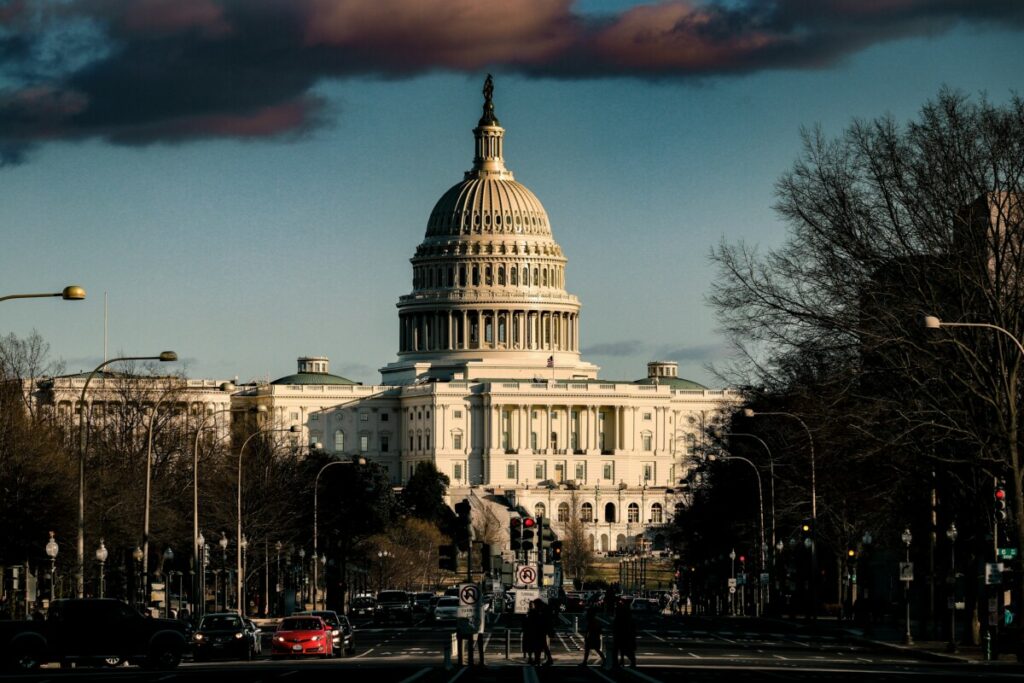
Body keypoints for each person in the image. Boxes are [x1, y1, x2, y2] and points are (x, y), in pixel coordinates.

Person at [612, 600, 637, 668]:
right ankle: (623, 661)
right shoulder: (627, 616)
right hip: (624, 634)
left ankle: (620, 662)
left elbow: (617, 625)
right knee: (623, 649)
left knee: (620, 649)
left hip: (621, 634)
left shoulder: (621, 616)